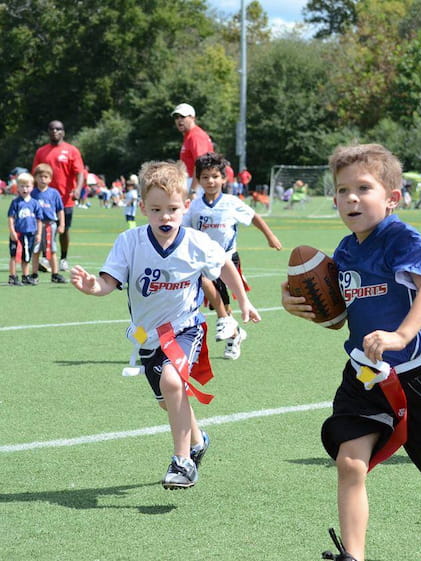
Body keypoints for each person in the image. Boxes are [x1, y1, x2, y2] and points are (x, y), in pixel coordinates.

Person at [281, 144, 421, 561]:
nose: (351, 198)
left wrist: (402, 334)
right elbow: (340, 312)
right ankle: (354, 556)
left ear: (392, 197)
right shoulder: (346, 250)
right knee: (351, 462)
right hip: (365, 374)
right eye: (342, 190)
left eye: (363, 188)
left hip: (415, 373)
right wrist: (294, 304)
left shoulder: (401, 238)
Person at [70, 160, 261, 489]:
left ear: (186, 206)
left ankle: (183, 462)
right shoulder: (130, 242)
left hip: (186, 329)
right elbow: (106, 283)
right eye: (156, 209)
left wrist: (243, 300)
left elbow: (224, 264)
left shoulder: (196, 242)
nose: (165, 216)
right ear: (143, 207)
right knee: (167, 401)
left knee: (174, 384)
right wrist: (92, 287)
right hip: (146, 338)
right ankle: (199, 441)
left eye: (173, 208)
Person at [183, 152, 282, 360]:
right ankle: (233, 332)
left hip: (228, 259)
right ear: (198, 180)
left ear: (224, 178)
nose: (210, 181)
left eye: (215, 176)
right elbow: (184, 230)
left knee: (223, 301)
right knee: (216, 297)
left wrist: (270, 236)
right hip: (204, 261)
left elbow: (254, 217)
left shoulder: (231, 202)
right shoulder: (194, 206)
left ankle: (233, 332)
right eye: (205, 177)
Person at [32, 120, 85, 271]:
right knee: (42, 228)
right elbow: (34, 173)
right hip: (43, 199)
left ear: (63, 132)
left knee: (64, 229)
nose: (55, 131)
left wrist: (78, 189)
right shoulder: (41, 151)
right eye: (52, 129)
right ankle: (45, 258)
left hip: (65, 198)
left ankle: (63, 258)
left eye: (58, 129)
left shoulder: (71, 150)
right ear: (48, 132)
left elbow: (79, 172)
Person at [31, 163, 67, 284]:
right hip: (36, 225)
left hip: (50, 224)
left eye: (45, 177)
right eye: (40, 177)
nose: (43, 179)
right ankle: (34, 274)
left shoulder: (54, 193)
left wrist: (62, 224)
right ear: (35, 178)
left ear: (50, 178)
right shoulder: (32, 193)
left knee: (52, 249)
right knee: (36, 250)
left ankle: (55, 274)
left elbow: (60, 209)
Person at [171, 103, 214, 196]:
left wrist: (193, 190)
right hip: (194, 182)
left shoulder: (196, 136)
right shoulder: (189, 136)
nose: (179, 120)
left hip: (198, 184)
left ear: (192, 118)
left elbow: (201, 164)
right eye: (176, 117)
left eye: (182, 116)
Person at [7, 172, 42, 285]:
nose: (25, 189)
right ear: (18, 187)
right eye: (22, 186)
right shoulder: (16, 202)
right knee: (13, 255)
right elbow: (11, 217)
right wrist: (12, 231)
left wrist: (38, 234)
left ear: (32, 187)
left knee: (26, 256)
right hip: (17, 233)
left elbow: (39, 220)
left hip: (29, 233)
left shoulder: (34, 203)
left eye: (27, 186)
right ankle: (13, 276)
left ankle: (25, 276)